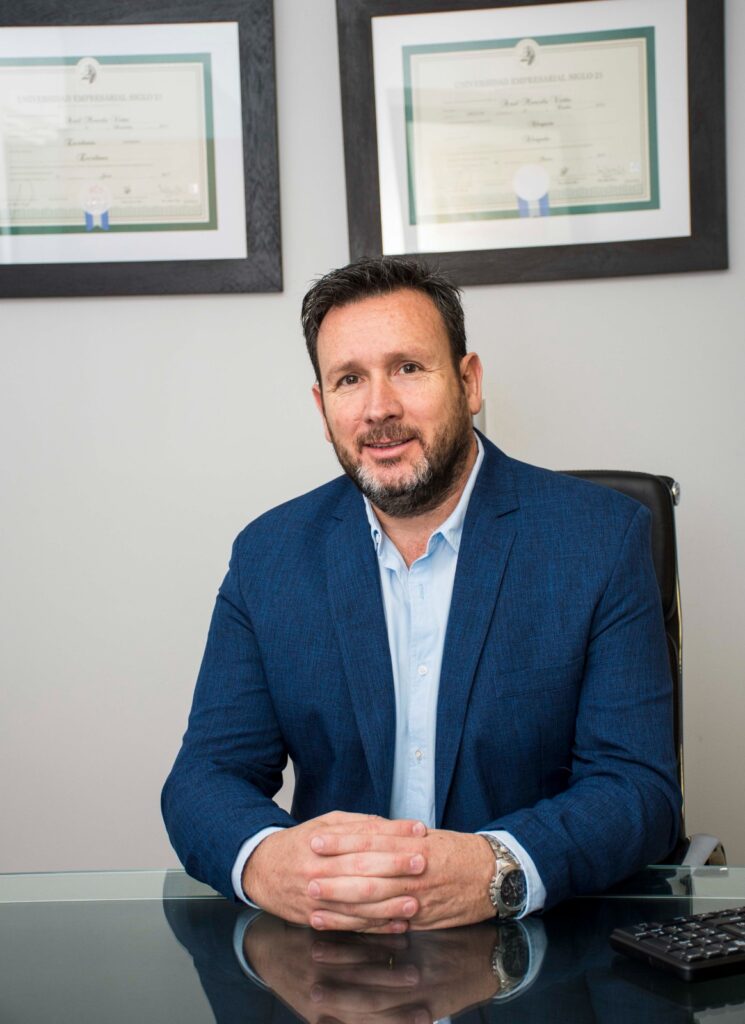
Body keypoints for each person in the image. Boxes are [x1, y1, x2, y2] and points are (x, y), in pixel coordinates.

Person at [162, 256, 681, 933]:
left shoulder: (599, 539)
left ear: (468, 382)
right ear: (323, 408)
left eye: (408, 367)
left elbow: (637, 789)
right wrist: (269, 861)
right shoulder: (270, 555)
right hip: (336, 950)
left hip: (538, 943)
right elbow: (206, 777)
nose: (379, 408)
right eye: (349, 379)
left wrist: (493, 869)